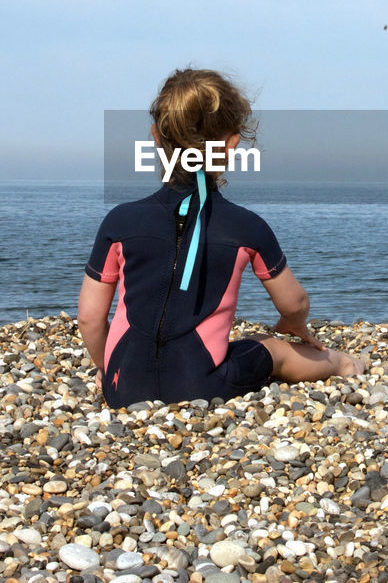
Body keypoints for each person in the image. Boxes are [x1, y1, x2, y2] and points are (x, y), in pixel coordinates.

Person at [77, 68, 367, 408]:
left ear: (156, 136)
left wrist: (108, 369)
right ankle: (344, 363)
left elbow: (90, 318)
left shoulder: (120, 221)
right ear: (232, 143)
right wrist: (293, 323)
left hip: (121, 389)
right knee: (269, 348)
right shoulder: (246, 227)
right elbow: (294, 302)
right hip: (202, 384)